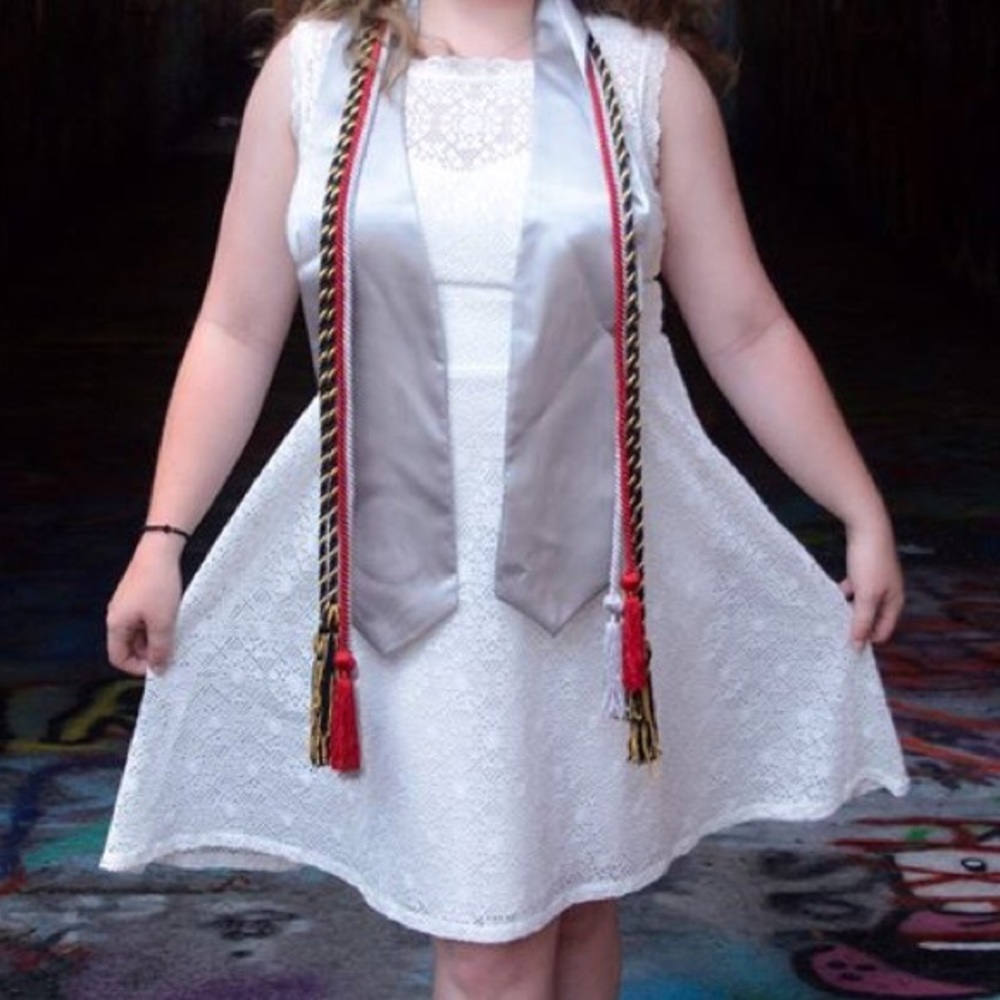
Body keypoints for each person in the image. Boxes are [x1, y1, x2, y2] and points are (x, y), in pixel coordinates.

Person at [102, 1, 910, 997]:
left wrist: (858, 508)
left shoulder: (641, 77)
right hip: (408, 592)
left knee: (575, 910)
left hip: (601, 580)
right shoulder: (314, 76)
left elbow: (743, 326)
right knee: (492, 947)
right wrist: (162, 536)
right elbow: (234, 326)